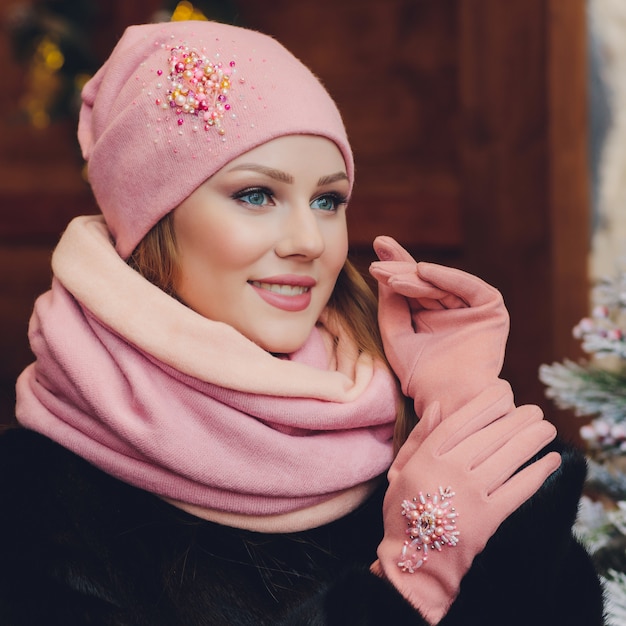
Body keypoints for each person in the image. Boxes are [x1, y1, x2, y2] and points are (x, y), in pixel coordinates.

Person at [0, 19, 604, 626]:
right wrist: (408, 584)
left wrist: (459, 409)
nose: (309, 241)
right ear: (153, 221)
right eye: (257, 194)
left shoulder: (390, 421)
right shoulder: (36, 497)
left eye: (327, 200)